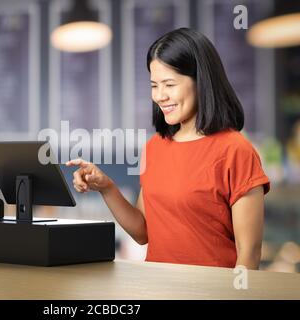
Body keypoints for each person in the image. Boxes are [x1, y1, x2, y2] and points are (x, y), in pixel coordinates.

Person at [66, 28, 270, 270]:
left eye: (169, 84)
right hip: (159, 288)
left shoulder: (236, 150)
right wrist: (106, 187)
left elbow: (249, 253)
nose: (160, 96)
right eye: (154, 85)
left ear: (201, 82)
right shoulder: (155, 147)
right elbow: (143, 232)